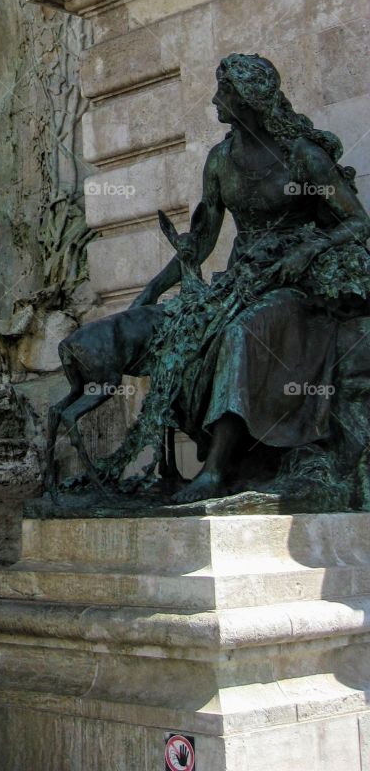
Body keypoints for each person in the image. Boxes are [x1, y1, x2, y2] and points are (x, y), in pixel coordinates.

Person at [116, 53, 370, 503]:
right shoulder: (220, 160)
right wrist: (152, 291)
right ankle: (197, 461)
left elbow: (357, 222)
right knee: (183, 337)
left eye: (225, 92)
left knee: (239, 335)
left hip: (298, 287)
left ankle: (215, 469)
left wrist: (310, 248)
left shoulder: (302, 158)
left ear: (250, 100)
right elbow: (201, 240)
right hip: (244, 280)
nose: (215, 100)